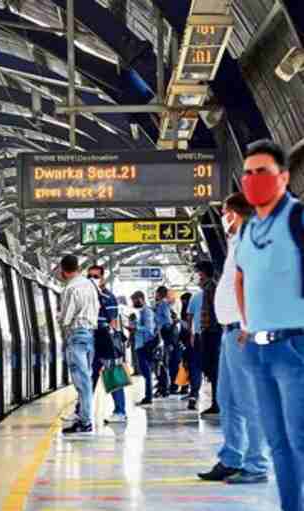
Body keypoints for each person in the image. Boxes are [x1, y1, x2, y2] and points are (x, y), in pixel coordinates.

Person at [234, 139, 304, 510]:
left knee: (300, 438)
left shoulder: (297, 218)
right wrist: (249, 323)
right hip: (260, 350)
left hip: (296, 345)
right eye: (248, 173)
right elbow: (243, 277)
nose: (254, 179)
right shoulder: (247, 231)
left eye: (263, 171)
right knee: (278, 443)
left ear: (284, 177)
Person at [198, 192, 269, 484]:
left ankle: (257, 465)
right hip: (231, 332)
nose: (223, 216)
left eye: (226, 211)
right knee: (228, 399)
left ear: (238, 212)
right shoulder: (237, 242)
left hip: (244, 330)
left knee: (249, 400)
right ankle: (231, 457)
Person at [57, 254, 99, 434]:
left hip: (76, 334)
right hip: (90, 334)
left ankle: (86, 421)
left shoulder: (70, 288)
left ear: (63, 270)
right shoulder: (90, 285)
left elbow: (66, 317)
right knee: (86, 378)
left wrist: (61, 323)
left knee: (82, 382)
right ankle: (83, 417)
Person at [87, 265, 127, 424]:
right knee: (89, 376)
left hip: (105, 337)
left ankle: (120, 411)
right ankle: (81, 411)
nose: (92, 279)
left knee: (113, 374)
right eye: (89, 276)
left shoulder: (108, 297)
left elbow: (113, 320)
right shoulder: (87, 295)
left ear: (103, 278)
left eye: (96, 276)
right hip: (93, 337)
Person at [195, 260, 223, 416]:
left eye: (199, 273)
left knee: (213, 368)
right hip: (210, 331)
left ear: (203, 273)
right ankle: (216, 402)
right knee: (210, 368)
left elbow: (215, 310)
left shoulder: (211, 288)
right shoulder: (208, 287)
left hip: (213, 332)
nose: (197, 276)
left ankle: (217, 403)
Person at [127, 291, 156, 406]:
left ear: (140, 299)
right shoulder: (142, 312)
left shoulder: (147, 311)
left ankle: (148, 397)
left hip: (145, 345)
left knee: (146, 372)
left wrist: (135, 327)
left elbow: (149, 329)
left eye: (134, 300)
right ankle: (148, 396)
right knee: (145, 372)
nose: (133, 303)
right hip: (141, 345)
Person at [154, 286, 178, 397]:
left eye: (156, 293)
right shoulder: (162, 304)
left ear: (159, 294)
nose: (155, 295)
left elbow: (167, 321)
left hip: (164, 337)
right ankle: (163, 387)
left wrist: (162, 333)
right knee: (162, 362)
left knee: (163, 363)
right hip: (163, 336)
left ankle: (165, 388)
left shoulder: (163, 304)